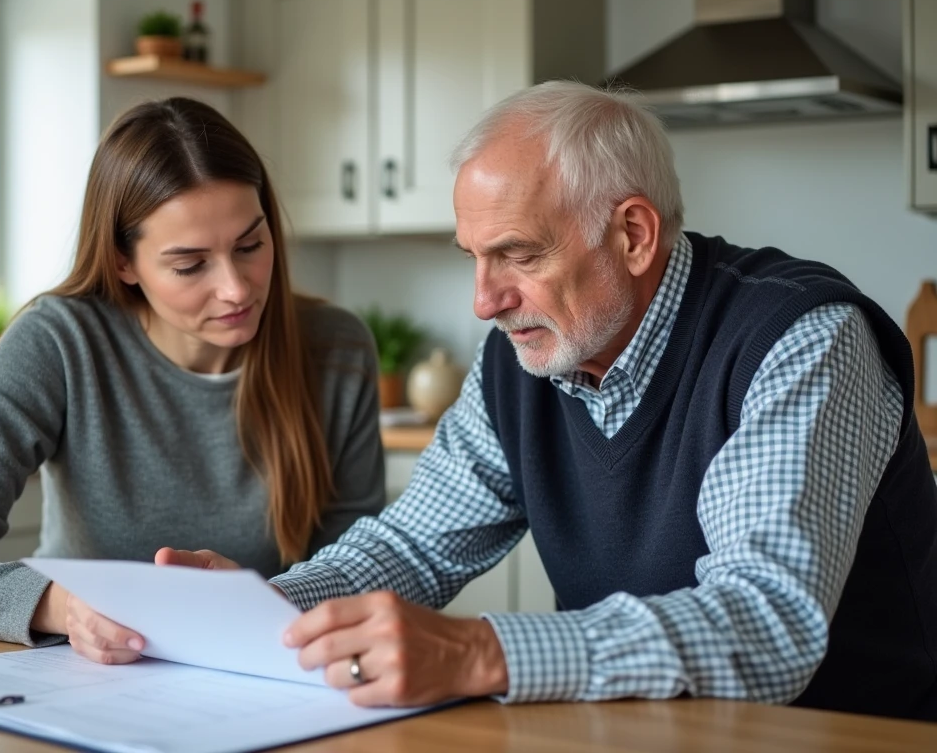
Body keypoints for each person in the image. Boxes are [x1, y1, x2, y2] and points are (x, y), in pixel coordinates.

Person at [157, 81, 937, 721]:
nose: (484, 301)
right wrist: (258, 602)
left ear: (633, 235)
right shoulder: (523, 361)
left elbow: (766, 625)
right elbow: (413, 549)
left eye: (517, 255)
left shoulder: (800, 341)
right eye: (473, 257)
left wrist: (478, 651)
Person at [0, 97, 386, 663]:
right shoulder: (59, 343)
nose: (237, 289)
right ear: (123, 262)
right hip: (81, 679)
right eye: (190, 265)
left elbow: (360, 573)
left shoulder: (337, 349)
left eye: (251, 245)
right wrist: (65, 607)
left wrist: (262, 603)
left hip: (259, 675)